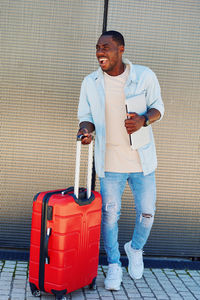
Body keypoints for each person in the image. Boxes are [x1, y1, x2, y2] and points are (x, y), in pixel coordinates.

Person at [77, 30, 164, 291]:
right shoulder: (90, 82)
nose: (100, 52)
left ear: (121, 49)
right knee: (110, 216)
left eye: (106, 47)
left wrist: (143, 120)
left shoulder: (144, 76)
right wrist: (85, 130)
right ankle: (114, 265)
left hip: (141, 160)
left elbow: (159, 107)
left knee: (147, 213)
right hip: (110, 162)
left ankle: (135, 249)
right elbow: (86, 115)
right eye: (97, 48)